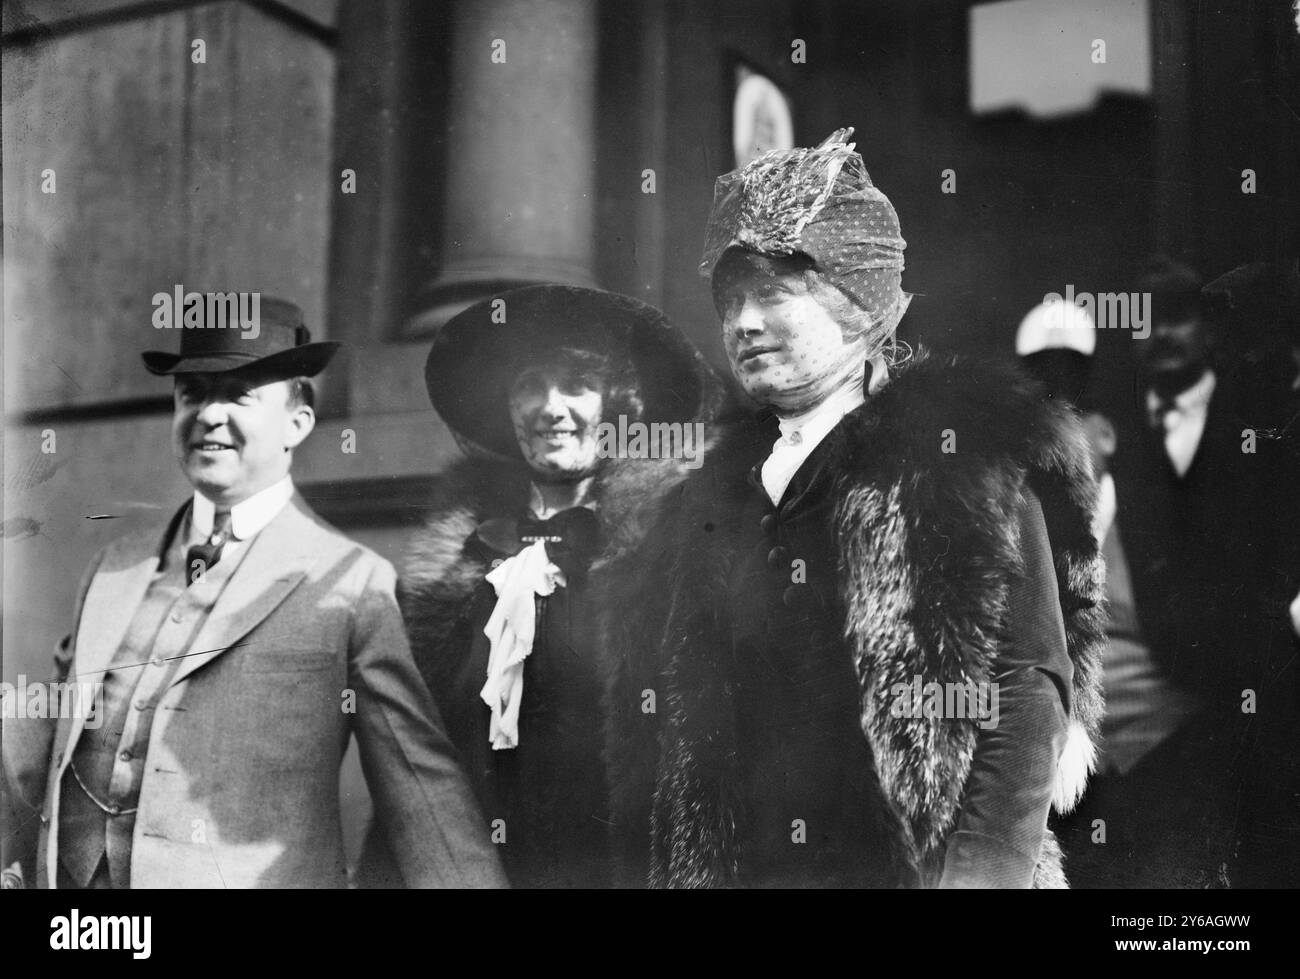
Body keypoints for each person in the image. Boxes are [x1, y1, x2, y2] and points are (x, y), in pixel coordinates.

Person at [601, 130, 1106, 888]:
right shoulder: (709, 498)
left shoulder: (958, 457)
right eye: (730, 300)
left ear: (855, 299)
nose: (742, 322)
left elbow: (1027, 684)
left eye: (771, 293)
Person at [1, 300, 506, 888]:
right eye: (192, 393)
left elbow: (419, 781)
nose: (209, 414)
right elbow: (45, 745)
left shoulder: (350, 581)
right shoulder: (113, 569)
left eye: (239, 394)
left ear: (298, 421)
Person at [360, 285, 717, 888]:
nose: (551, 408)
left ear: (620, 405)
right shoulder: (461, 563)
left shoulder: (672, 549)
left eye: (576, 384)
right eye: (529, 384)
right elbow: (418, 753)